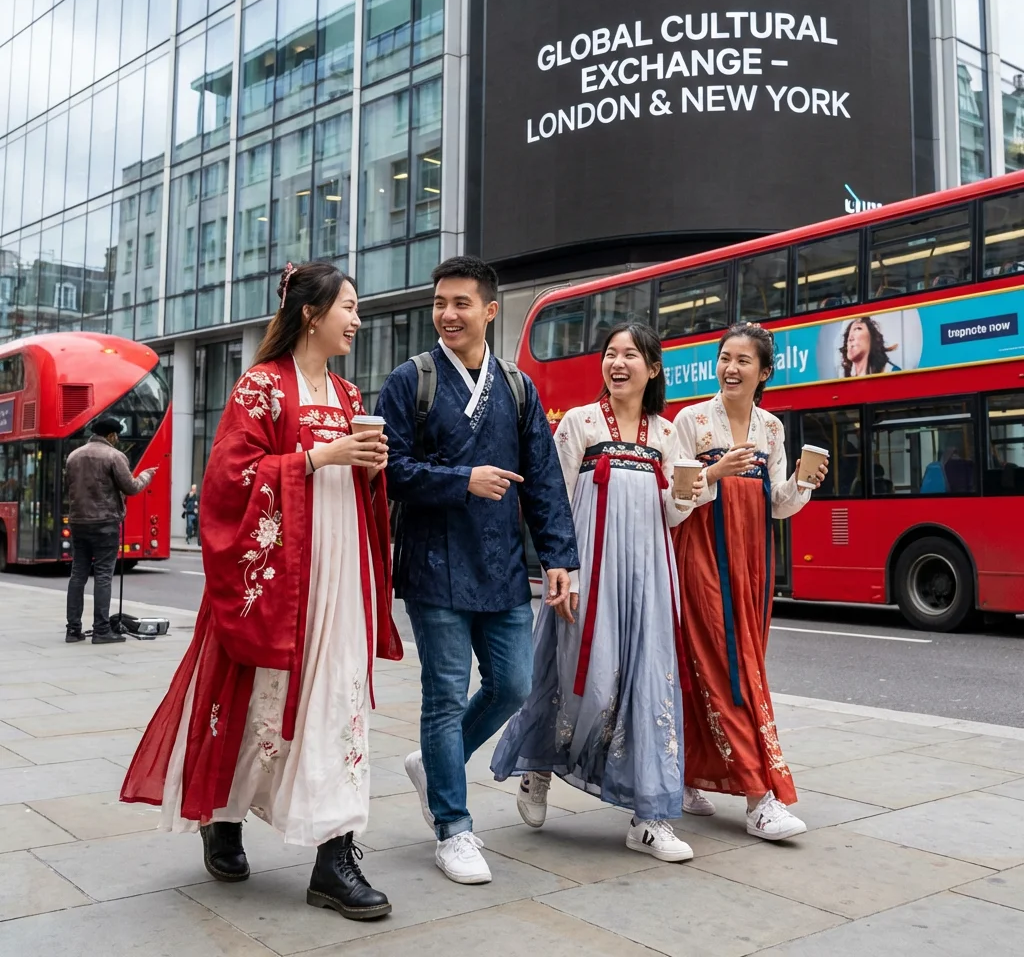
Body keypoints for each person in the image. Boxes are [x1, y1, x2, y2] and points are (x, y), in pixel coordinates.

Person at [120, 262, 404, 922]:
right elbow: (227, 478)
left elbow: (358, 487)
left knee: (337, 701)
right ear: (313, 313)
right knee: (256, 702)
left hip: (339, 572)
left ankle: (335, 855)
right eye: (350, 308)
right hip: (281, 572)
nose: (357, 321)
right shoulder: (261, 389)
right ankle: (223, 815)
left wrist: (370, 468)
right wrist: (313, 458)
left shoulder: (350, 396)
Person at [375, 255, 578, 886]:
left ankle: (435, 764)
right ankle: (453, 828)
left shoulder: (518, 387)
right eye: (440, 302)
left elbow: (544, 480)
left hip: (502, 567)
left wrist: (560, 558)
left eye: (462, 303)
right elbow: (391, 470)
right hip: (434, 566)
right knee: (442, 696)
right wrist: (464, 479)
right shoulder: (412, 380)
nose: (448, 314)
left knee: (513, 685)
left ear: (490, 311)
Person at [491, 322, 700, 862]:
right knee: (573, 673)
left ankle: (650, 816)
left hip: (649, 578)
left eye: (632, 354)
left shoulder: (666, 433)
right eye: (611, 354)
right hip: (589, 573)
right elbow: (552, 502)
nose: (619, 363)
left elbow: (672, 515)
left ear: (653, 369)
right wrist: (562, 569)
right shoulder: (580, 424)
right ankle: (537, 770)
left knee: (648, 679)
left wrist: (689, 495)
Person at [673, 323, 828, 841]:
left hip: (753, 567)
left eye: (743, 361)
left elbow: (777, 505)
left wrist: (803, 482)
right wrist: (715, 474)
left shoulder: (772, 428)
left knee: (726, 670)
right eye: (724, 358)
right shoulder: (691, 421)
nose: (730, 368)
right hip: (703, 560)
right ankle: (761, 797)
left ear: (764, 373)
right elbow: (673, 500)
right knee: (731, 673)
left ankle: (688, 776)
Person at [64, 415, 156, 644]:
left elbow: (70, 487)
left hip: (78, 522)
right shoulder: (114, 456)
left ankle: (73, 630)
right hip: (105, 523)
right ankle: (101, 630)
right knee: (103, 576)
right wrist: (146, 475)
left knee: (78, 574)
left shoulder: (73, 456)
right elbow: (131, 487)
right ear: (112, 435)